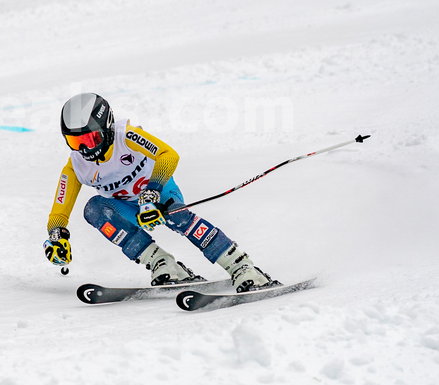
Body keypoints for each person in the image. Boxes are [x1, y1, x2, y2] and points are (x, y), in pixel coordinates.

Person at [43, 92, 276, 291]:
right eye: (75, 142)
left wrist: (151, 192)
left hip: (160, 195)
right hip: (128, 209)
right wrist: (56, 237)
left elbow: (169, 155)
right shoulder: (76, 166)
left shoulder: (126, 136)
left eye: (90, 139)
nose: (85, 149)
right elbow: (59, 212)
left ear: (106, 128)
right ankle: (162, 263)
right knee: (93, 208)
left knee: (176, 215)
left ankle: (242, 266)